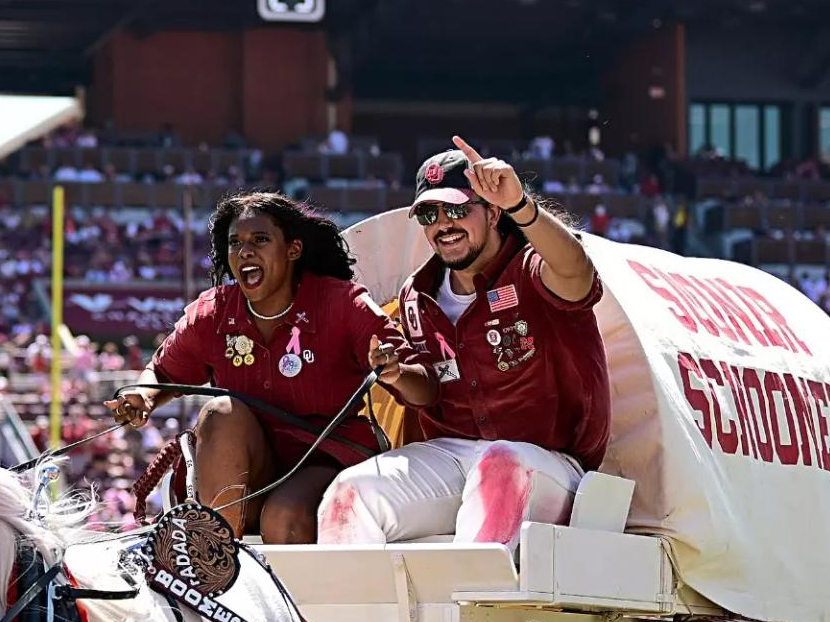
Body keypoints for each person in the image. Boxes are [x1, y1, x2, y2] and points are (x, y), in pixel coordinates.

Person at [317, 137, 609, 544]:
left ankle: (472, 585)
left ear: (493, 212)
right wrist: (398, 375)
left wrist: (521, 205)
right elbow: (429, 390)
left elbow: (579, 274)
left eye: (457, 209)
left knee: (501, 463)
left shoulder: (531, 269)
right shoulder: (416, 295)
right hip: (453, 456)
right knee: (349, 493)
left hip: (548, 461)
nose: (444, 224)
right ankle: (355, 590)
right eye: (429, 214)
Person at [109, 191, 408, 542]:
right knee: (220, 411)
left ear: (293, 249)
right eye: (235, 242)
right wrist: (143, 396)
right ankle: (215, 557)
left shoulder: (343, 303)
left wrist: (396, 370)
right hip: (249, 466)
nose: (245, 251)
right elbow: (161, 374)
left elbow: (422, 384)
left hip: (328, 456)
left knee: (283, 517)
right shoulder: (213, 313)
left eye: (260, 239)